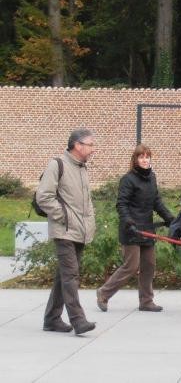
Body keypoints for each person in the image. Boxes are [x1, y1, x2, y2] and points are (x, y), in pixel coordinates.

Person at [96, 144, 174, 313]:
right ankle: (103, 293)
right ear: (135, 160)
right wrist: (128, 221)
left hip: (147, 228)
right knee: (131, 266)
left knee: (149, 265)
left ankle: (146, 301)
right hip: (131, 229)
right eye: (141, 157)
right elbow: (121, 204)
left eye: (147, 157)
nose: (145, 160)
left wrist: (169, 218)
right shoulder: (128, 179)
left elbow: (157, 202)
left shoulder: (152, 177)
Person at [36, 128, 97, 335]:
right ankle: (78, 320)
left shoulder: (82, 168)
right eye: (90, 144)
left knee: (64, 276)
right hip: (63, 230)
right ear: (78, 145)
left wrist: (89, 224)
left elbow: (85, 202)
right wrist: (63, 216)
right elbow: (43, 196)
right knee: (70, 275)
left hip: (79, 231)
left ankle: (52, 319)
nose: (93, 149)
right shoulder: (57, 164)